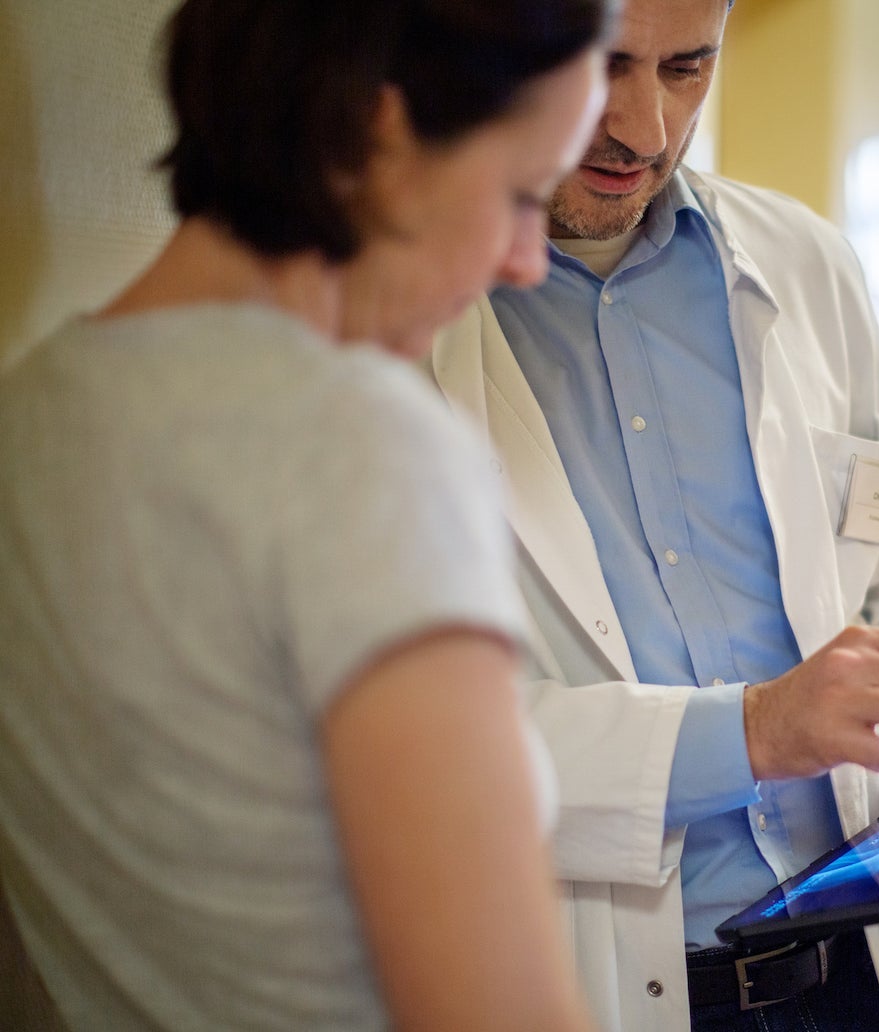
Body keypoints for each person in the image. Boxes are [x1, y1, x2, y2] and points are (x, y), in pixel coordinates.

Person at [430, 0, 879, 1028]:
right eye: (604, 66)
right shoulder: (406, 316)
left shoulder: (804, 262)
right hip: (614, 983)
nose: (644, 129)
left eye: (687, 68)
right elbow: (428, 742)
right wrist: (755, 730)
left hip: (868, 967)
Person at [0, 1, 612, 1028]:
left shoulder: (29, 419)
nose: (526, 261)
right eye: (521, 195)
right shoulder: (364, 445)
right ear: (380, 138)